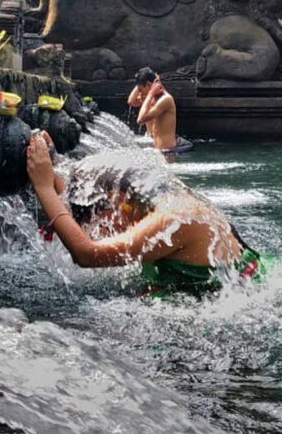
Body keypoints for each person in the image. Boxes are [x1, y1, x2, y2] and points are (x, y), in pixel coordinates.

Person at [26, 135, 262, 294]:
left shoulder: (175, 217)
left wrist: (44, 188)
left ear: (117, 198)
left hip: (239, 303)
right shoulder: (154, 200)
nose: (100, 230)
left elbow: (87, 254)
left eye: (99, 219)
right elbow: (77, 202)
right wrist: (53, 162)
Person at [126, 67, 181, 152]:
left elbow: (140, 120)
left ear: (148, 84)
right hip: (157, 150)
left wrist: (151, 92)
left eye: (140, 89)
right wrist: (141, 81)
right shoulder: (151, 99)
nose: (139, 93)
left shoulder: (165, 99)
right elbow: (131, 101)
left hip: (167, 152)